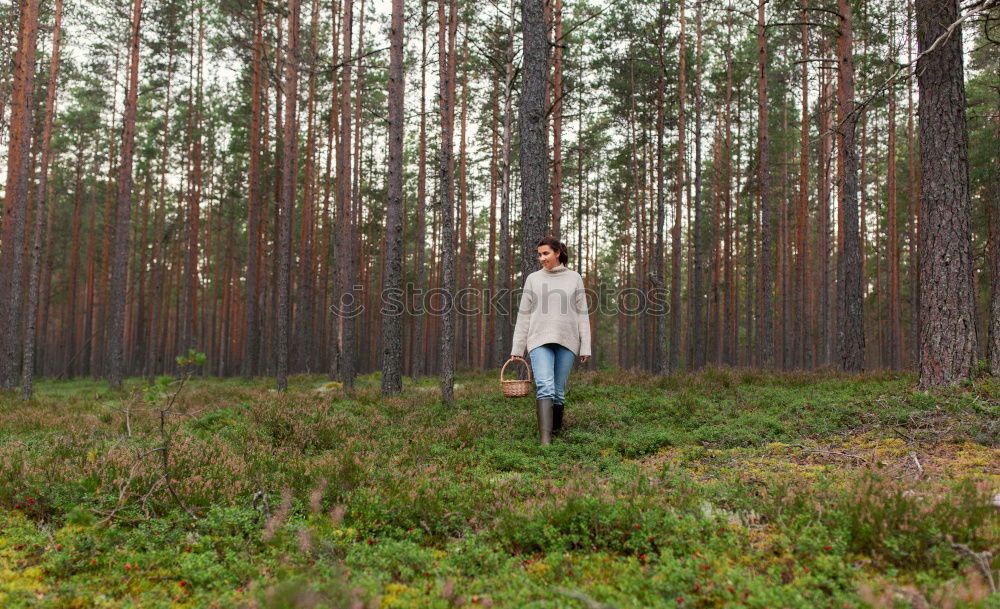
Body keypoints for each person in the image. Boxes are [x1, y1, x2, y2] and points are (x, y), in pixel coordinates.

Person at [510, 236, 591, 445]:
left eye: (545, 253)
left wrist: (585, 345)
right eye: (539, 255)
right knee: (545, 386)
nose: (541, 258)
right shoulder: (533, 279)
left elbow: (582, 313)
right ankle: (545, 442)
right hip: (539, 339)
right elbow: (524, 314)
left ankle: (556, 434)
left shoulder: (574, 278)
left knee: (558, 391)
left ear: (557, 253)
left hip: (567, 340)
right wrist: (517, 347)